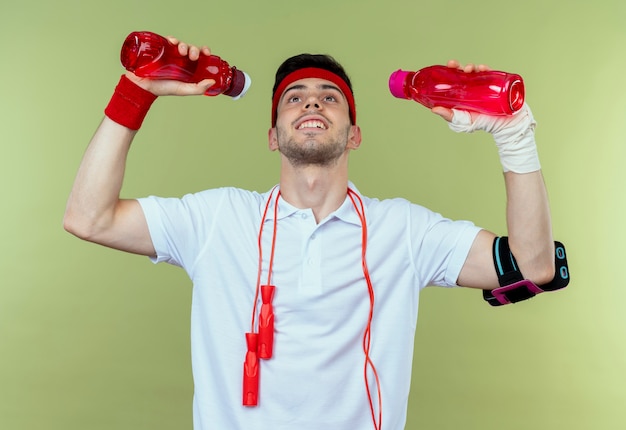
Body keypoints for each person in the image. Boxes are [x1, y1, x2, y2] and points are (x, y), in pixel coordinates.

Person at [64, 36, 555, 430]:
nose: (311, 103)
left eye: (330, 97)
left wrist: (513, 136)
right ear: (274, 136)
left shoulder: (403, 229)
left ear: (354, 134)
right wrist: (138, 91)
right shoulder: (217, 218)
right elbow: (89, 217)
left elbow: (532, 265)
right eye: (293, 98)